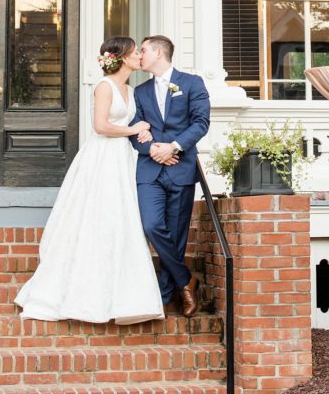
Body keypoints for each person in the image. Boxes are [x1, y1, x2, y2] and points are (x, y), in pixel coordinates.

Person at [15, 36, 164, 325]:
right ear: (121, 57)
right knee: (97, 216)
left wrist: (142, 133)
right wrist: (134, 129)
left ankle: (123, 296)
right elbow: (101, 126)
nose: (138, 57)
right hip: (102, 158)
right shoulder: (104, 87)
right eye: (135, 53)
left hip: (122, 159)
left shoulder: (131, 91)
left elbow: (133, 126)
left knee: (119, 219)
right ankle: (79, 296)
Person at [129, 35, 210, 317]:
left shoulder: (192, 83)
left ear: (159, 52)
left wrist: (173, 147)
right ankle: (186, 280)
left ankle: (165, 295)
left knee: (176, 235)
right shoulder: (138, 92)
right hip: (149, 171)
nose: (140, 55)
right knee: (152, 225)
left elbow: (201, 123)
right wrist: (152, 148)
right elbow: (134, 131)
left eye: (143, 50)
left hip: (181, 167)